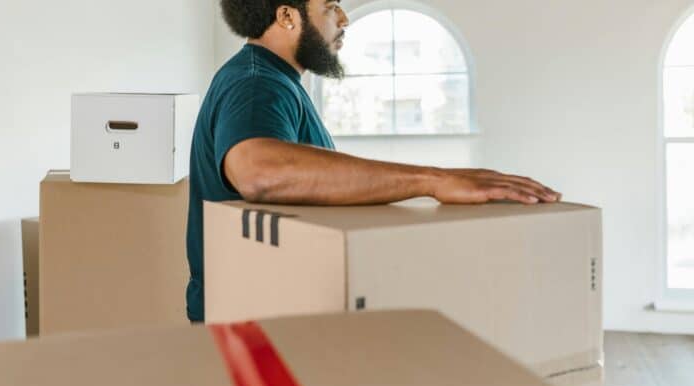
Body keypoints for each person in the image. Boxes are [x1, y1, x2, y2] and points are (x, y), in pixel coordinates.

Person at [186, 0, 562, 323]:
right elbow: (259, 172)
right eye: (331, 6)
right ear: (287, 15)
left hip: (272, 318)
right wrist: (432, 181)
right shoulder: (256, 84)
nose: (344, 19)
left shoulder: (276, 82)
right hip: (246, 328)